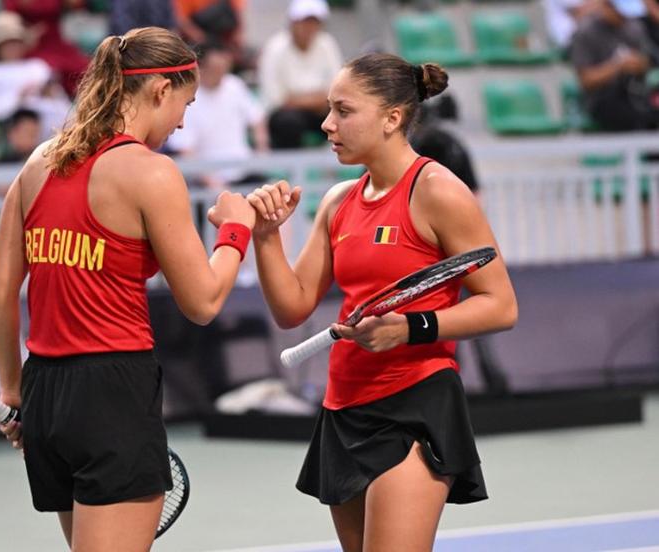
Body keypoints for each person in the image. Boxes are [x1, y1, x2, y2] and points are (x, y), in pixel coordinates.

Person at [0, 27, 256, 551]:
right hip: (113, 389)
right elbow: (202, 302)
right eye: (186, 102)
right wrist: (235, 230)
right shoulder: (151, 173)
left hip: (45, 390)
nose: (183, 120)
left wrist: (14, 391)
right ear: (159, 90)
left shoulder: (39, 161)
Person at [246, 53, 518, 551]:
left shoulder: (438, 192)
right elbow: (293, 307)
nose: (327, 124)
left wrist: (409, 327)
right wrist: (266, 239)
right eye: (328, 109)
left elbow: (501, 304)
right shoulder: (338, 201)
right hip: (344, 407)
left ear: (393, 117)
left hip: (415, 402)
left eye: (344, 111)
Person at [167, 41, 269, 189]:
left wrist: (261, 152)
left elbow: (257, 118)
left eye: (224, 67)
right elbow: (185, 148)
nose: (220, 72)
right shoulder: (187, 96)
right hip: (207, 179)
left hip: (245, 171)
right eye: (216, 68)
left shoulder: (235, 85)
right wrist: (211, 182)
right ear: (201, 68)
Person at [258, 0, 343, 149]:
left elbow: (339, 88)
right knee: (288, 122)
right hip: (287, 115)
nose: (309, 27)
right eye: (305, 22)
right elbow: (276, 99)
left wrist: (298, 99)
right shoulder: (275, 48)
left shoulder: (327, 44)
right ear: (293, 23)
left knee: (346, 117)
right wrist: (318, 98)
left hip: (320, 110)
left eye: (314, 22)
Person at [570, 0, 659, 131]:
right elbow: (586, 80)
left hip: (636, 94)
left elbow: (647, 62)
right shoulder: (586, 32)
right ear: (607, 7)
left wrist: (641, 65)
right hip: (602, 100)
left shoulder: (634, 27)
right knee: (636, 119)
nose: (624, 17)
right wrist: (617, 67)